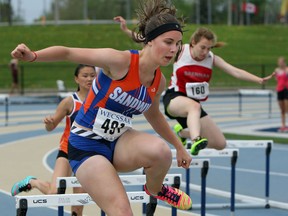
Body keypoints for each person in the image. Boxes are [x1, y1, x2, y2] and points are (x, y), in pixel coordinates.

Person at [11, 0, 193, 215]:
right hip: (86, 145)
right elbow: (68, 53)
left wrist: (179, 147)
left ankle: (155, 189)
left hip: (118, 142)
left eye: (178, 44)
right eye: (168, 42)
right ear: (150, 41)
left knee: (162, 152)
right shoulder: (119, 61)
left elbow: (153, 114)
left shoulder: (158, 81)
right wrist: (33, 56)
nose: (174, 49)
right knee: (122, 212)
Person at [162, 27, 276, 155]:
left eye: (209, 48)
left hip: (194, 108)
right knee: (193, 106)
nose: (205, 52)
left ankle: (182, 133)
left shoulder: (211, 58)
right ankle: (196, 140)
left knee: (220, 144)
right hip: (174, 98)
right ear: (193, 42)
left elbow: (235, 71)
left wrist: (259, 80)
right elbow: (159, 50)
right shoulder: (181, 50)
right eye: (203, 47)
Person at [11, 64, 97, 216]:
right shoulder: (69, 102)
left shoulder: (100, 101)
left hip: (87, 155)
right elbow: (50, 127)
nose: (89, 79)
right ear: (76, 79)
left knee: (78, 205)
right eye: (85, 75)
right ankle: (33, 182)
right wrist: (50, 123)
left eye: (92, 75)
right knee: (55, 194)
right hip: (67, 150)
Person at [274, 56, 288, 132]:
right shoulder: (277, 70)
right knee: (282, 110)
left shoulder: (287, 70)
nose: (280, 63)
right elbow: (276, 79)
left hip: (286, 89)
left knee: (286, 108)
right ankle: (283, 125)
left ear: (284, 62)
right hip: (279, 89)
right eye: (279, 62)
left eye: (281, 62)